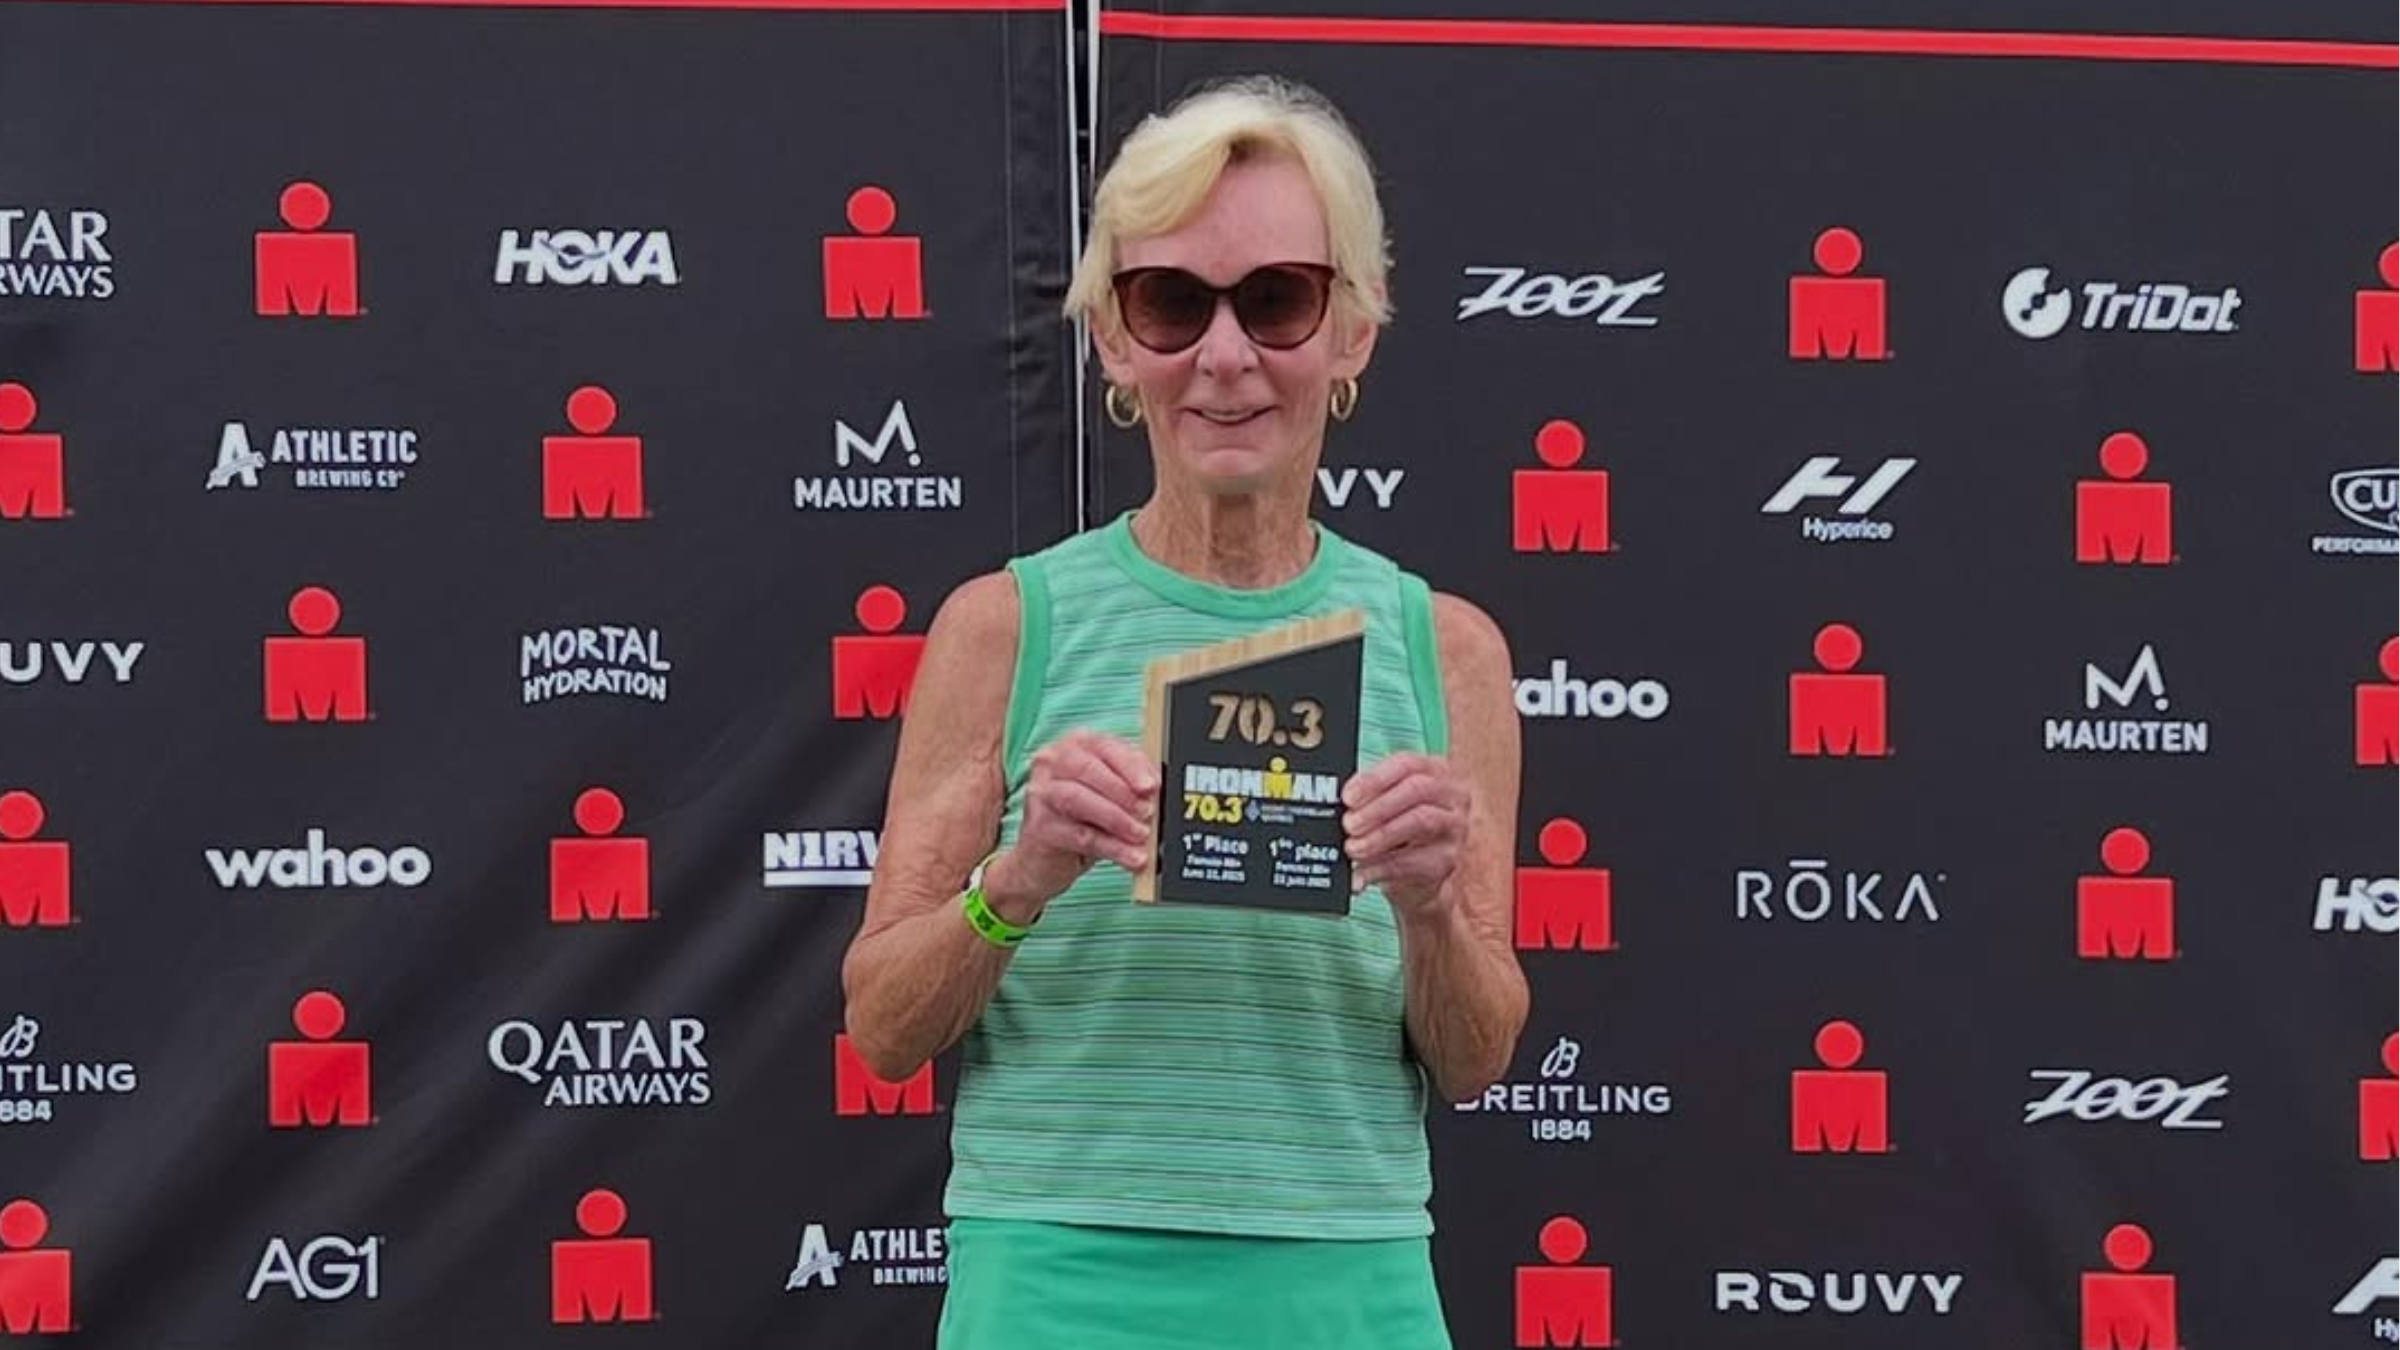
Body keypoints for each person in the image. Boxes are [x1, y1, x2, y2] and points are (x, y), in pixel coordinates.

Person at [839, 72, 1528, 1350]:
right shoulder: (1004, 628)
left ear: (1354, 329)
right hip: (1056, 1283)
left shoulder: (1447, 652)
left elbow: (1477, 1054)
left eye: (1277, 300)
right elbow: (882, 1027)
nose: (1224, 357)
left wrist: (1432, 910)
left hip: (1345, 1281)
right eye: (1170, 302)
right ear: (1113, 339)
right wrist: (1017, 881)